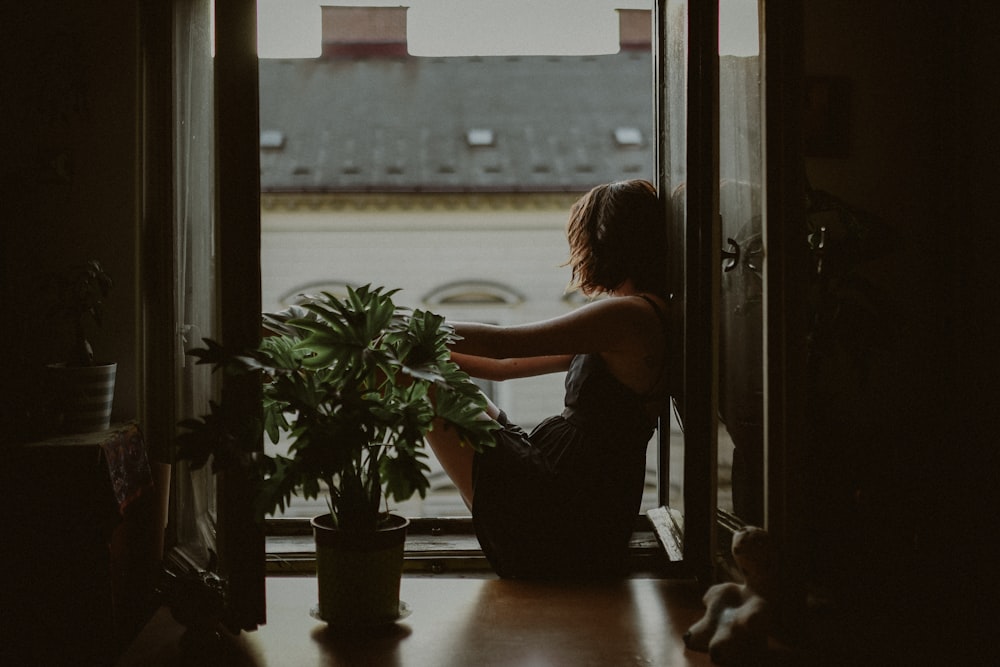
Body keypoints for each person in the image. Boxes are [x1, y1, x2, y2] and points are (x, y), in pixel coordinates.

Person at [425, 179, 676, 579]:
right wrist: (428, 356)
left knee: (421, 386)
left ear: (601, 243)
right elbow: (501, 367)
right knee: (429, 376)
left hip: (566, 505)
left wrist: (417, 330)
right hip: (569, 489)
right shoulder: (638, 316)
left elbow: (502, 344)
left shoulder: (628, 316)